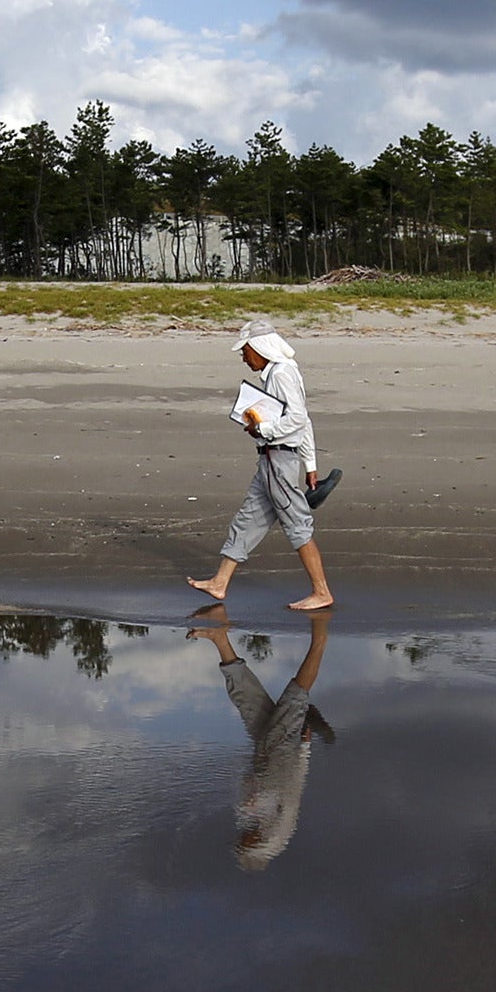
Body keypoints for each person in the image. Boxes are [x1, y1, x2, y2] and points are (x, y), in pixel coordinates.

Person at [185, 329, 340, 611]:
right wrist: (310, 464)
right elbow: (303, 420)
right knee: (248, 519)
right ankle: (220, 583)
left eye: (245, 352)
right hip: (271, 460)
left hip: (278, 460)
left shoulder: (281, 375)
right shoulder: (280, 373)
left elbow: (298, 419)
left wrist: (263, 429)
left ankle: (321, 591)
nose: (244, 358)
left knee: (296, 522)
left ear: (260, 348)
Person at [195, 612, 334, 870]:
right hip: (282, 750)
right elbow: (293, 791)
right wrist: (304, 749)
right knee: (295, 697)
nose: (240, 838)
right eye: (242, 843)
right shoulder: (278, 831)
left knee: (246, 699)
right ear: (253, 846)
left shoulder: (259, 825)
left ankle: (219, 637)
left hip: (265, 752)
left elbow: (253, 789)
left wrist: (251, 792)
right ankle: (320, 638)